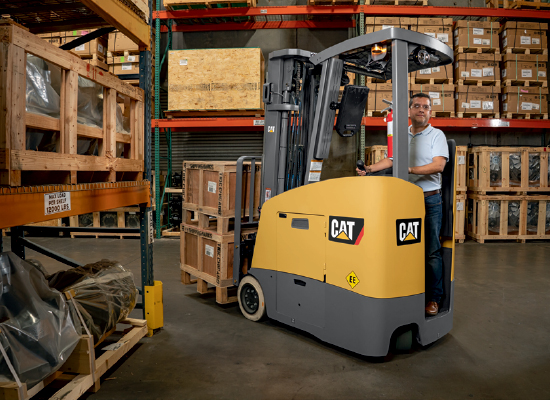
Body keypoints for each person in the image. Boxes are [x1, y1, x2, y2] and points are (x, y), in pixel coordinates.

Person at [356, 92, 448, 316]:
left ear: (430, 112)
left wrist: (408, 170)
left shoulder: (437, 135)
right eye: (417, 106)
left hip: (429, 200)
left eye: (426, 107)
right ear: (409, 110)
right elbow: (392, 159)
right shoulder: (402, 135)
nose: (421, 110)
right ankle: (406, 292)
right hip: (404, 199)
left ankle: (434, 299)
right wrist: (368, 170)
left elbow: (438, 166)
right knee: (404, 250)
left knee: (431, 251)